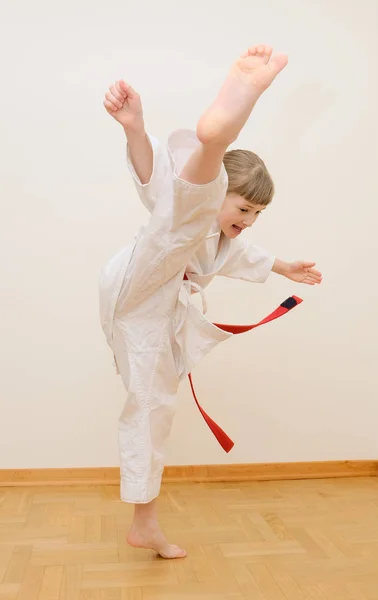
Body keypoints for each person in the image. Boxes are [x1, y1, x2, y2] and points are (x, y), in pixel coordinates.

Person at [99, 45, 322, 559]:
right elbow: (166, 187)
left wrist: (284, 267)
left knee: (154, 408)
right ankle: (218, 134)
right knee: (187, 201)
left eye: (257, 213)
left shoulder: (220, 237)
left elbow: (239, 252)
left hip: (147, 307)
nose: (248, 219)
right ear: (228, 194)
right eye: (243, 207)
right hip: (143, 280)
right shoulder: (197, 213)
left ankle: (144, 522)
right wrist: (135, 131)